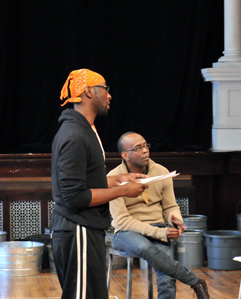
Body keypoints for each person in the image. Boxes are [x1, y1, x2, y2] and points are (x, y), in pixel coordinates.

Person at [51, 69, 150, 299]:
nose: (109, 95)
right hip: (78, 230)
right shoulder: (75, 135)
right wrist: (123, 191)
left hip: (84, 229)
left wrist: (118, 179)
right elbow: (75, 196)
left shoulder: (85, 130)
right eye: (105, 88)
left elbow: (83, 182)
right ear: (87, 91)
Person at [107, 132, 211, 299]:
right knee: (145, 247)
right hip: (126, 233)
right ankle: (195, 281)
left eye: (146, 145)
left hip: (158, 228)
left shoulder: (161, 171)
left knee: (167, 277)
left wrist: (175, 218)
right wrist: (160, 233)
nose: (145, 151)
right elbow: (122, 221)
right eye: (138, 148)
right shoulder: (113, 179)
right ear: (125, 155)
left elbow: (170, 206)